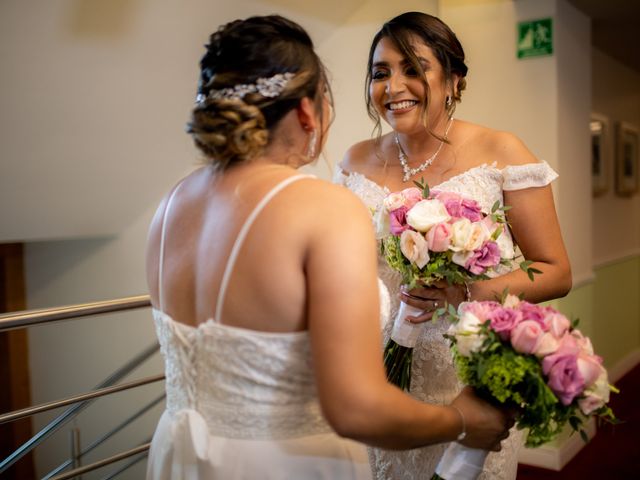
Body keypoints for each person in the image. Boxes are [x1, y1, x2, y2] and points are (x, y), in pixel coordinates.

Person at [145, 14, 513, 480]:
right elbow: (355, 411)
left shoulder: (172, 204)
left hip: (180, 458)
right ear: (306, 112)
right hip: (284, 463)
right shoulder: (324, 207)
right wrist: (464, 421)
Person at [335, 11, 572, 480]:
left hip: (466, 374)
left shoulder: (502, 151)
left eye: (413, 68)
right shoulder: (355, 160)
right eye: (380, 73)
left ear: (454, 79)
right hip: (377, 370)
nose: (393, 86)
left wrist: (464, 293)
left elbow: (555, 271)